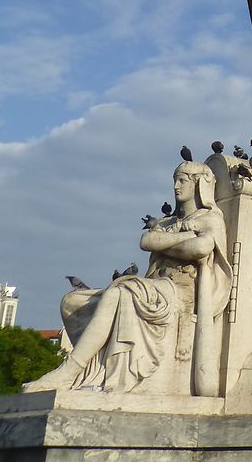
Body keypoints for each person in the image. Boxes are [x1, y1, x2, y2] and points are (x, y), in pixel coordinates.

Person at [26, 161, 231, 395]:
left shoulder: (210, 218)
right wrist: (183, 237)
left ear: (198, 185)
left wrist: (166, 242)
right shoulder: (169, 222)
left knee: (119, 292)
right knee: (72, 302)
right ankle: (93, 370)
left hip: (181, 292)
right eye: (175, 179)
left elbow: (199, 248)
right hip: (156, 286)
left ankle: (70, 371)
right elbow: (146, 241)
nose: (175, 186)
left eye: (182, 180)